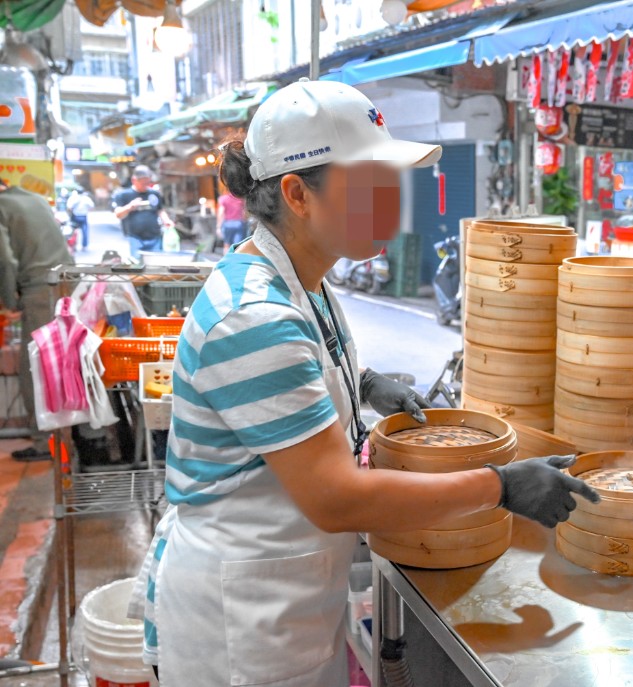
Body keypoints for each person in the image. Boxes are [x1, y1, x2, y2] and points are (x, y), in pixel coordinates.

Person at [127, 79, 600, 686]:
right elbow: (337, 498)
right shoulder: (254, 317)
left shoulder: (302, 279)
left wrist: (363, 381)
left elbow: (303, 361)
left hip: (284, 596)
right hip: (242, 624)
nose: (391, 207)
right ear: (297, 194)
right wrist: (500, 486)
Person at [0, 180, 74, 461]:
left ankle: (46, 444)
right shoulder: (35, 198)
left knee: (33, 368)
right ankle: (77, 437)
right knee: (66, 363)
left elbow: (5, 261)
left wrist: (10, 302)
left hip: (40, 290)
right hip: (68, 284)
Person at [113, 166, 173, 259]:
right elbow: (118, 214)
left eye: (147, 183)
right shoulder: (124, 195)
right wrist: (130, 206)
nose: (145, 185)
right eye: (143, 183)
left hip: (154, 235)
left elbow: (160, 210)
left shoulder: (154, 194)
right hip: (135, 237)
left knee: (155, 262)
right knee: (137, 263)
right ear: (134, 180)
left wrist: (166, 220)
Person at [216, 188, 246, 254]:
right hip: (239, 223)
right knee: (238, 246)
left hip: (228, 224)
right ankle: (236, 259)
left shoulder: (223, 199)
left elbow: (221, 213)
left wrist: (218, 227)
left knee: (227, 244)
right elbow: (244, 212)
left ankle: (226, 259)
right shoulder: (240, 199)